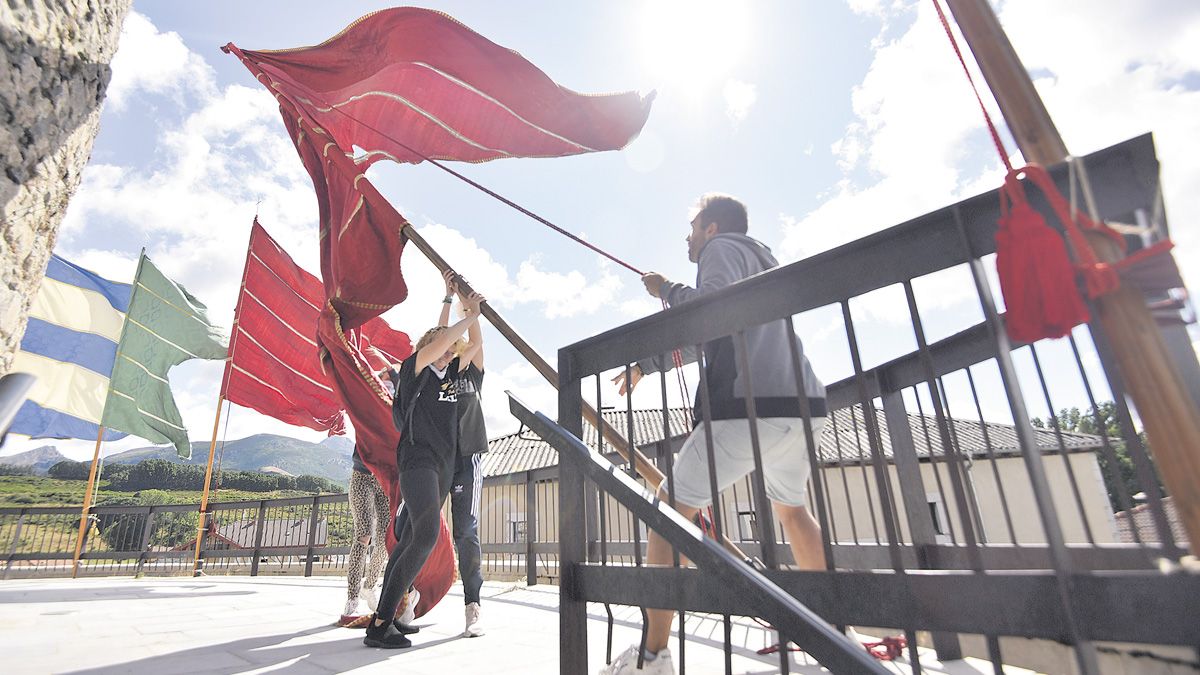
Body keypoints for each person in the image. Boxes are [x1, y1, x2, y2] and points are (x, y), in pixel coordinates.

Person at [602, 193, 828, 674]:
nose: (687, 234)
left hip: (747, 406)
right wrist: (648, 364)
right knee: (793, 512)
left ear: (713, 228)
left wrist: (666, 289)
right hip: (800, 406)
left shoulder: (722, 250)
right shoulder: (761, 257)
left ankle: (652, 656)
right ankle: (830, 633)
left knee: (668, 513)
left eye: (693, 225)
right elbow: (718, 333)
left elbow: (710, 308)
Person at [363, 287, 486, 649]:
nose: (449, 353)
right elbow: (442, 338)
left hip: (445, 467)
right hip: (419, 460)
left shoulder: (452, 375)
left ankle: (385, 615)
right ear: (427, 349)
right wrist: (467, 311)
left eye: (452, 350)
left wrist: (466, 308)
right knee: (427, 534)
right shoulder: (414, 368)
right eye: (444, 349)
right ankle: (382, 622)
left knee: (408, 542)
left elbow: (470, 345)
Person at [436, 270, 488, 637]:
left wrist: (472, 309)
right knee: (420, 527)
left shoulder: (473, 372)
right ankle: (405, 597)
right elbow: (435, 341)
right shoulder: (436, 372)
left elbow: (476, 340)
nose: (456, 346)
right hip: (438, 459)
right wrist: (448, 298)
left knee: (465, 532)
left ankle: (473, 606)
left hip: (467, 458)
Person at [337, 444, 390, 628]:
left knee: (386, 538)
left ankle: (370, 586)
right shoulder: (368, 417)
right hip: (362, 477)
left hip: (383, 479)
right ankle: (352, 599)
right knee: (364, 535)